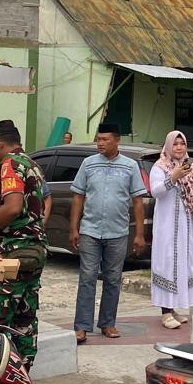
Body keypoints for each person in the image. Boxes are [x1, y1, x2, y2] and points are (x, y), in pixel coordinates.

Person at [0, 120, 51, 364]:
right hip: (35, 248)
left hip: (12, 252)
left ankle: (0, 370)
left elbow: (11, 208)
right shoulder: (32, 164)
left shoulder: (10, 165)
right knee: (25, 315)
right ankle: (23, 368)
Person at [69, 122, 147, 344]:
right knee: (87, 277)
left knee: (113, 279)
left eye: (105, 139)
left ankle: (107, 323)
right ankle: (82, 326)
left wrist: (139, 234)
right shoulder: (88, 164)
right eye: (98, 139)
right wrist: (74, 228)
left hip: (118, 232)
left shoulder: (130, 166)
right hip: (90, 230)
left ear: (117, 140)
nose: (100, 143)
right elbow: (78, 197)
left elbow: (138, 201)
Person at [150, 130, 193, 328]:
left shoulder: (191, 167)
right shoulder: (160, 166)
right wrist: (172, 177)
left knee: (182, 264)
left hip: (186, 224)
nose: (179, 147)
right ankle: (165, 312)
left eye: (182, 143)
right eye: (175, 144)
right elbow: (155, 191)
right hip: (166, 226)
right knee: (167, 263)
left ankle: (174, 309)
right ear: (168, 146)